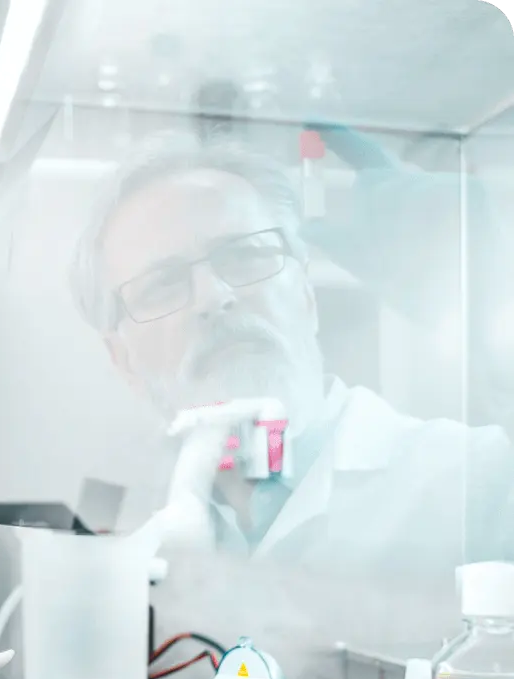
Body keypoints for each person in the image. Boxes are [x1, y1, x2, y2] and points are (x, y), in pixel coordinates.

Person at [73, 134, 513, 580]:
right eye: (163, 284)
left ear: (306, 294)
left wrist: (493, 306)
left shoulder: (479, 480)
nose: (214, 295)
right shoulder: (126, 564)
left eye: (244, 254)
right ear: (122, 359)